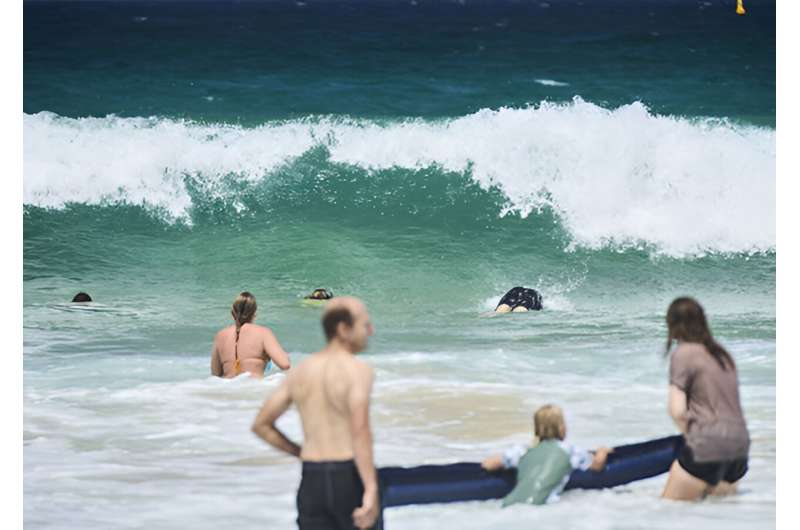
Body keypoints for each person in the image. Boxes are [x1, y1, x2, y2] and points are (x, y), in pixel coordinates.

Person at [251, 297, 379, 530]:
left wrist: (299, 452)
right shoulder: (358, 370)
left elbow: (261, 424)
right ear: (343, 329)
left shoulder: (302, 371)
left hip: (311, 480)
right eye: (365, 324)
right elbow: (360, 432)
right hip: (347, 478)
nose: (371, 330)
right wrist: (371, 488)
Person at [661, 297, 750, 501]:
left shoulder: (683, 353)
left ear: (672, 326)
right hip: (739, 450)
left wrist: (694, 438)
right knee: (713, 518)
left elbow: (677, 411)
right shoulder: (722, 355)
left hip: (707, 446)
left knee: (668, 515)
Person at [482, 404, 612, 505]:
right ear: (562, 428)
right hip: (543, 506)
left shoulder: (523, 450)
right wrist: (602, 451)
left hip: (510, 503)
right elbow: (597, 466)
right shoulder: (570, 450)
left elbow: (488, 464)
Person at [210, 292, 291, 378]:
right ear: (254, 313)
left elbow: (216, 374)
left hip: (226, 388)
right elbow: (285, 364)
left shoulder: (220, 336)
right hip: (253, 387)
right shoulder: (263, 333)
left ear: (233, 313)